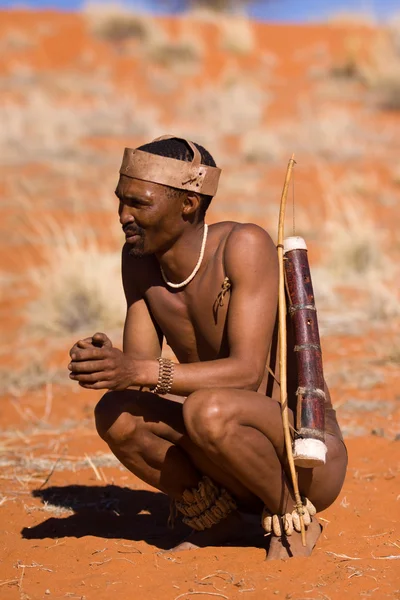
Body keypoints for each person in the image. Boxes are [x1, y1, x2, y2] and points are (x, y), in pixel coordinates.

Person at [68, 136, 347, 558]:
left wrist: (139, 371)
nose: (124, 216)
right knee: (116, 412)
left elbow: (246, 373)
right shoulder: (139, 262)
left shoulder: (243, 246)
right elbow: (139, 377)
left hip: (299, 460)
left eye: (139, 204)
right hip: (219, 451)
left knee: (207, 408)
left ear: (188, 204)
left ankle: (293, 519)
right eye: (120, 201)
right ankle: (216, 519)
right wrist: (109, 363)